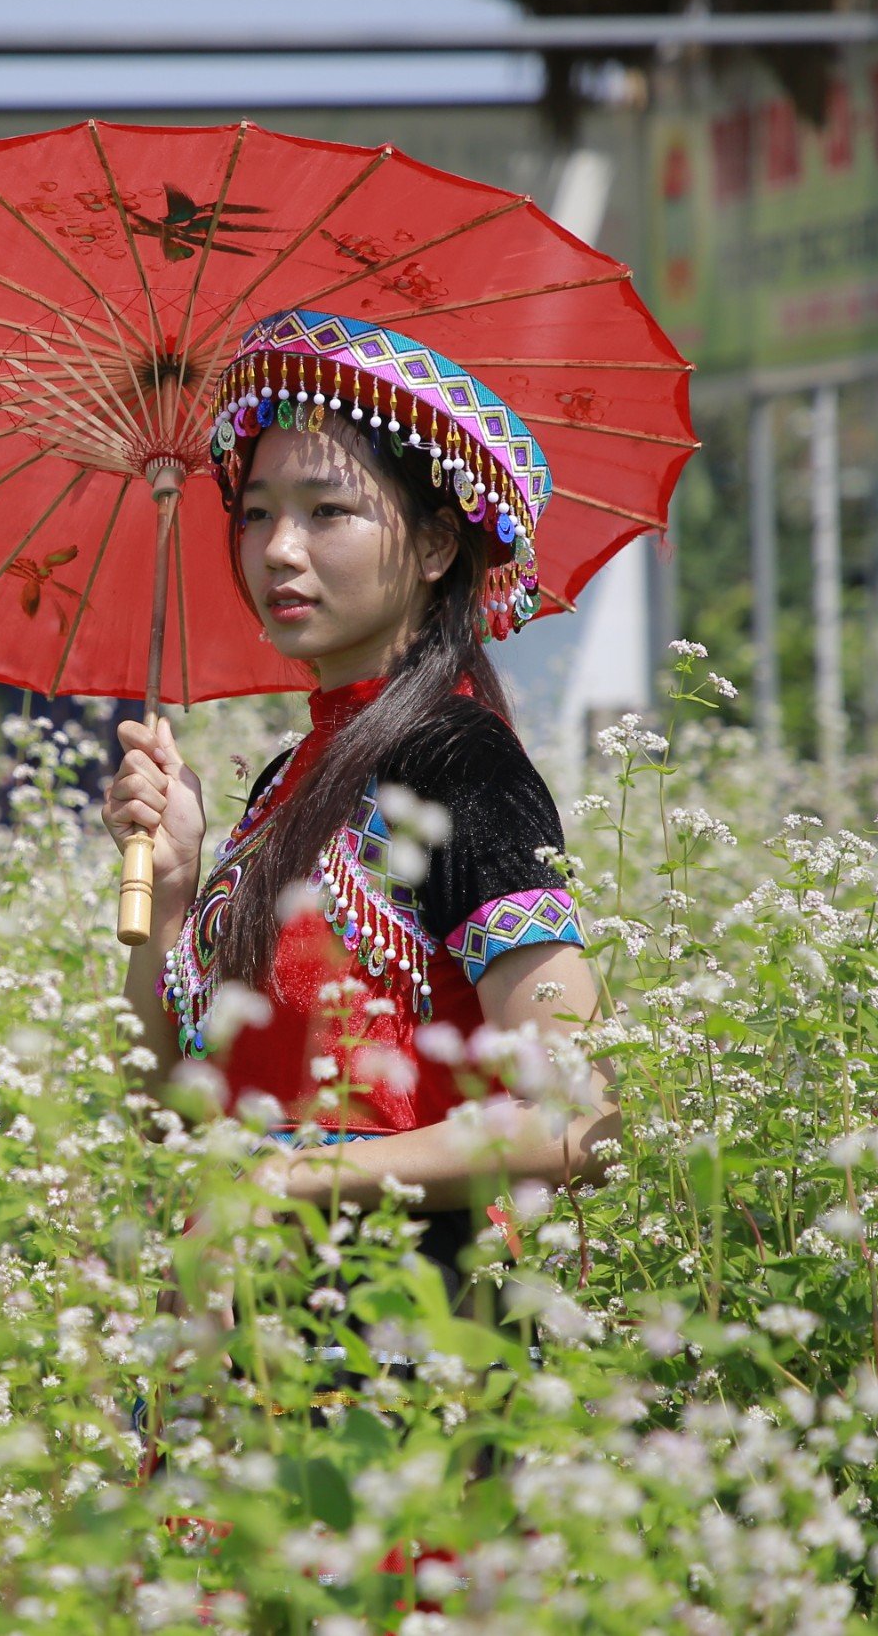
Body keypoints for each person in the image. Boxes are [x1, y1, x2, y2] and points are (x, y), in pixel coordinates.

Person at [99, 308, 618, 1297]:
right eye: (253, 513)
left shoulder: (463, 770)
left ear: (432, 547)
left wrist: (303, 1175)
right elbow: (167, 1110)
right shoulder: (290, 781)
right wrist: (164, 902)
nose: (277, 551)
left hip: (397, 1340)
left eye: (326, 511)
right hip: (237, 1335)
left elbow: (577, 1118)